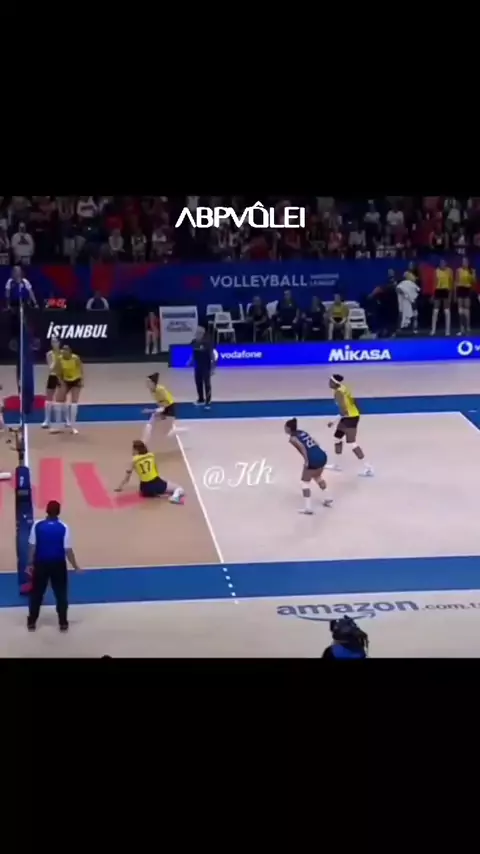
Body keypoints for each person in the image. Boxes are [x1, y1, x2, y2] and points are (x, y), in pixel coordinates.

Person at [26, 500, 81, 632]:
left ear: (46, 510)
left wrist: (29, 564)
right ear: (59, 512)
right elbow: (68, 550)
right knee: (61, 594)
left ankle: (32, 622)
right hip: (58, 565)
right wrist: (76, 566)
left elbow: (32, 547)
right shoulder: (64, 527)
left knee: (37, 594)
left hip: (41, 564)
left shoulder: (37, 526)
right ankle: (63, 622)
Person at [327, 374, 373, 476]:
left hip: (350, 418)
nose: (329, 383)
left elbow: (343, 411)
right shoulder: (343, 388)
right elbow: (352, 401)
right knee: (337, 438)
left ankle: (368, 468)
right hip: (349, 416)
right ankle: (337, 465)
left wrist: (333, 421)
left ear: (335, 383)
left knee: (351, 443)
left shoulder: (338, 393)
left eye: (330, 381)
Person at [284, 418, 333, 514]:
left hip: (312, 459)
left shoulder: (292, 439)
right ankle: (328, 497)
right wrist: (319, 451)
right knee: (317, 477)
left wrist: (307, 461)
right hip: (322, 455)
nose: (284, 428)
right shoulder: (302, 432)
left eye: (285, 427)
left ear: (289, 428)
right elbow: (314, 441)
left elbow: (302, 447)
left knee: (304, 483)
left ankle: (308, 508)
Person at [114, 439, 185, 504]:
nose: (132, 451)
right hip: (155, 482)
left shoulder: (134, 461)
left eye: (133, 449)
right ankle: (175, 497)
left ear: (136, 450)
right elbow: (156, 470)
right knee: (179, 488)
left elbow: (127, 478)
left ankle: (158, 494)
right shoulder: (151, 455)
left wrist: (120, 487)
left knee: (156, 486)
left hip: (144, 489)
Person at [142, 372, 184, 444]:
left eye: (148, 382)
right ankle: (143, 443)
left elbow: (165, 405)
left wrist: (150, 411)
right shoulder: (152, 390)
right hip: (163, 409)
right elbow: (160, 404)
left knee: (166, 434)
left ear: (153, 383)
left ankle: (184, 430)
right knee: (149, 424)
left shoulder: (161, 390)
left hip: (170, 410)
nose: (146, 383)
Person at [54, 344, 84, 434]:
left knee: (74, 402)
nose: (64, 352)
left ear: (70, 352)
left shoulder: (75, 358)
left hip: (76, 380)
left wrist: (81, 380)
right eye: (63, 351)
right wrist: (60, 382)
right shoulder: (59, 359)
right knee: (58, 400)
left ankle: (73, 427)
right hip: (65, 380)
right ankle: (57, 426)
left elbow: (80, 369)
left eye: (66, 351)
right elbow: (58, 372)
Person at [189, 326, 215, 409]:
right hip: (198, 366)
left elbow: (212, 355)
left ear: (202, 333)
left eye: (198, 333)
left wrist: (213, 368)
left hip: (206, 366)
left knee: (207, 384)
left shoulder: (207, 342)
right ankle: (201, 399)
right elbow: (194, 352)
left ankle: (208, 401)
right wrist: (191, 361)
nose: (196, 334)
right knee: (198, 382)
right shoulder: (194, 342)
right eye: (196, 332)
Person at [42, 336, 62, 429]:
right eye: (52, 342)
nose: (54, 343)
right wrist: (56, 359)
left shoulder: (63, 353)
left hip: (61, 377)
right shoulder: (49, 354)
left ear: (59, 343)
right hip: (53, 376)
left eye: (55, 341)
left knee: (60, 399)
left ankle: (61, 420)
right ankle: (47, 420)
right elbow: (51, 368)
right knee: (48, 399)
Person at [431, 259, 453, 336]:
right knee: (435, 311)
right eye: (441, 263)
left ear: (446, 264)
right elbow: (434, 283)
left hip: (446, 290)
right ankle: (433, 330)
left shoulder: (449, 271)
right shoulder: (436, 271)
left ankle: (447, 331)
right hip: (438, 290)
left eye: (444, 263)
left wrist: (450, 294)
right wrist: (433, 294)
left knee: (447, 311)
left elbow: (451, 283)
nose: (442, 264)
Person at [455, 257, 475, 336]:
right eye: (463, 261)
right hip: (460, 289)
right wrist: (455, 294)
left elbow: (474, 281)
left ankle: (468, 327)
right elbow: (456, 282)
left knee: (467, 310)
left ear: (468, 262)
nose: (465, 263)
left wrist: (472, 274)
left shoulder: (471, 270)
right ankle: (461, 328)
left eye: (466, 261)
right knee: (460, 310)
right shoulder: (458, 270)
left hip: (467, 289)